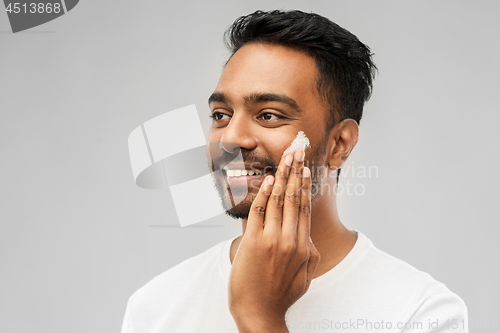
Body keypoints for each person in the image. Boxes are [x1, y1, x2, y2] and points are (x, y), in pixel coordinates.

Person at [121, 9, 468, 333]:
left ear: (339, 144)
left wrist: (260, 316)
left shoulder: (421, 312)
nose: (231, 138)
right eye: (220, 115)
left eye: (268, 115)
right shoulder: (154, 309)